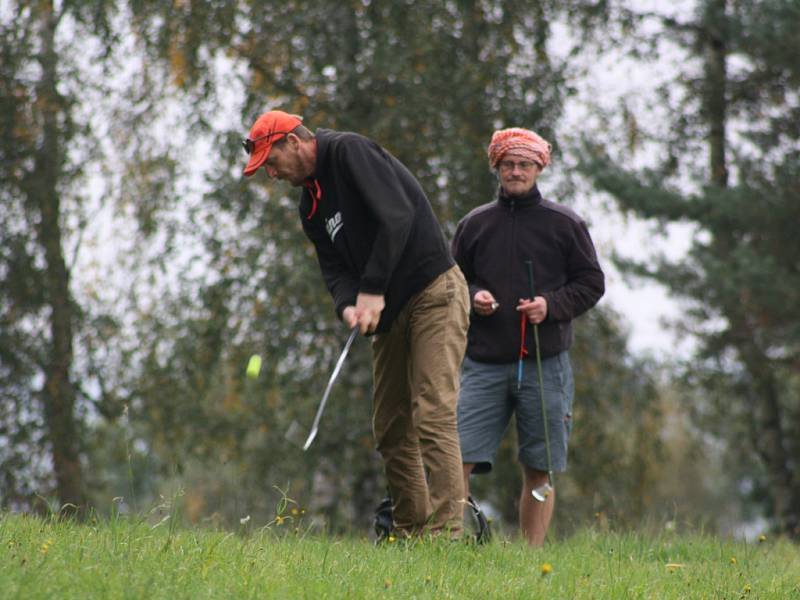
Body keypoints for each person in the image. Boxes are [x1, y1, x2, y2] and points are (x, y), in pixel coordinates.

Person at [242, 110, 470, 538]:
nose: (270, 173)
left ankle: (446, 537)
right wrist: (348, 305)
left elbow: (397, 215)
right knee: (389, 427)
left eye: (270, 161)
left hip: (433, 293)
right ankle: (409, 532)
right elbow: (334, 272)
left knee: (432, 411)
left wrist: (372, 288)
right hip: (389, 313)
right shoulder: (310, 206)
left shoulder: (349, 151)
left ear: (293, 141)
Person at [451, 127, 604, 546]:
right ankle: (450, 543)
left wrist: (550, 306)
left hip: (545, 364)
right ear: (496, 168)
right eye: (507, 164)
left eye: (524, 164)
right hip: (483, 363)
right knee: (455, 459)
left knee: (540, 468)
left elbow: (592, 283)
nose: (515, 171)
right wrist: (471, 296)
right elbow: (447, 283)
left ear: (539, 167)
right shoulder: (474, 224)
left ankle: (530, 558)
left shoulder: (565, 223)